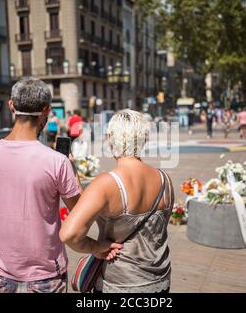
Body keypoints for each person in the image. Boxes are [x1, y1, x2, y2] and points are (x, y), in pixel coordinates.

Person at [0, 77, 105, 293]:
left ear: (11, 106)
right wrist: (72, 171)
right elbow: (81, 215)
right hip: (46, 278)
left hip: (2, 276)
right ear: (47, 110)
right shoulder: (56, 162)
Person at [60, 109, 174, 293]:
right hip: (159, 281)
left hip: (119, 283)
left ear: (111, 140)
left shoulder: (107, 184)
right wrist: (73, 174)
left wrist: (95, 247)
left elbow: (68, 234)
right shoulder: (164, 180)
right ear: (144, 139)